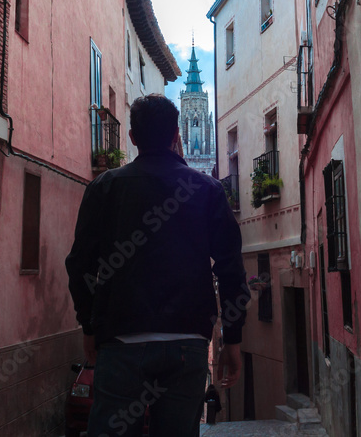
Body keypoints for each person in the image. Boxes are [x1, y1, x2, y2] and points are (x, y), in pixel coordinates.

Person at [66, 94, 249, 437]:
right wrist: (232, 339)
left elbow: (79, 265)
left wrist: (89, 325)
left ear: (132, 137)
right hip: (188, 344)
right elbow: (230, 268)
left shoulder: (105, 188)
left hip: (120, 343)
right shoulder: (207, 190)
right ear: (177, 134)